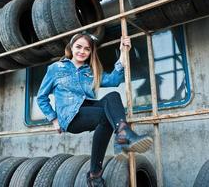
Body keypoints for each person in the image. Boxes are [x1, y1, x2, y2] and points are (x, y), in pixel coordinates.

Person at [37, 32, 153, 187]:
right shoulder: (55, 68)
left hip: (86, 110)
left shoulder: (90, 72)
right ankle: (116, 146)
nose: (82, 51)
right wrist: (54, 119)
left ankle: (118, 141)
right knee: (105, 116)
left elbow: (114, 80)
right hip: (70, 117)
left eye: (87, 49)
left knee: (112, 96)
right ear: (71, 47)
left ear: (91, 52)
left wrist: (124, 52)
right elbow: (41, 97)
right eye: (78, 47)